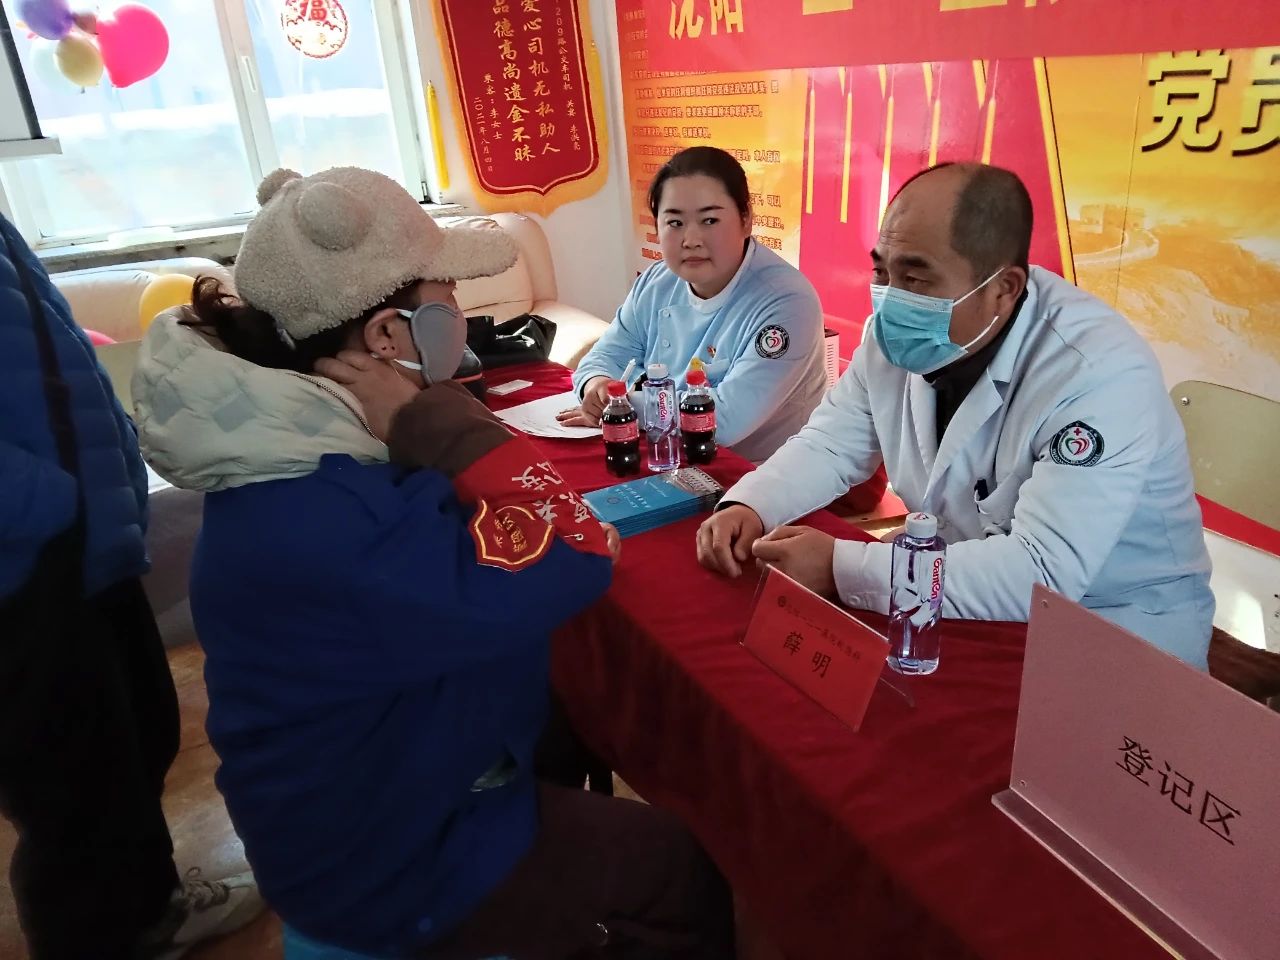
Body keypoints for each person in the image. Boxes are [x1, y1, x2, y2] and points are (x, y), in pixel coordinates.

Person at [131, 166, 734, 958]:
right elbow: (576, 546)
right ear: (389, 336)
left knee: (571, 724)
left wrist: (428, 415)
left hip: (386, 781)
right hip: (388, 855)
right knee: (679, 871)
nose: (464, 321)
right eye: (448, 302)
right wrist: (439, 418)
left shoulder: (307, 454)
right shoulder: (326, 515)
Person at [697, 163, 1215, 668]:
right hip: (954, 585)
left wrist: (840, 567)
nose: (891, 301)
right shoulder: (894, 338)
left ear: (1003, 288)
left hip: (1112, 625)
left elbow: (1042, 571)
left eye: (916, 278)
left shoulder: (1096, 372)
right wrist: (752, 505)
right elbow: (832, 445)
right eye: (882, 271)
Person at [0, 215, 263, 960]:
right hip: (29, 560)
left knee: (133, 742)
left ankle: (150, 911)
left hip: (86, 548)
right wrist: (54, 504)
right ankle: (98, 937)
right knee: (68, 786)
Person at [559, 146, 827, 462]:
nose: (691, 240)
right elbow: (605, 355)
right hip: (673, 453)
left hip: (764, 469)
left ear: (746, 220)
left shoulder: (787, 302)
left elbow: (724, 421)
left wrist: (622, 405)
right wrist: (597, 386)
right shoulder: (657, 281)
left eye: (710, 220)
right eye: (675, 223)